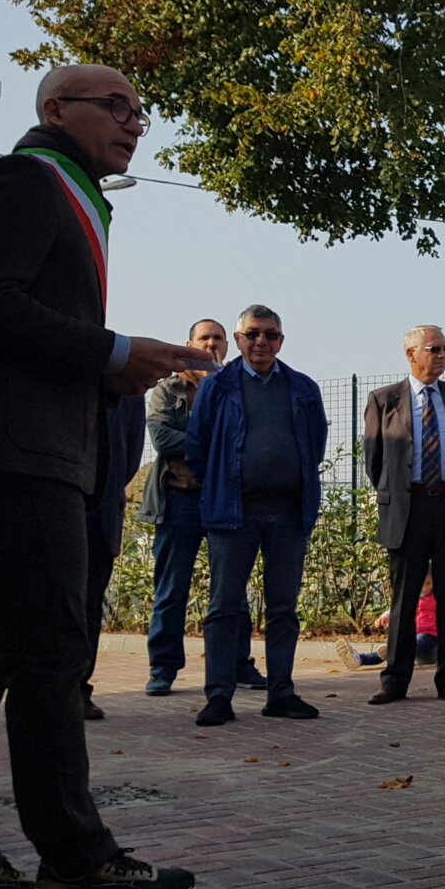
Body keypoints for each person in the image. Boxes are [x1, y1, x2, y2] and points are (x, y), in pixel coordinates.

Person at [0, 64, 199, 889]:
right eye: (114, 106)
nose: (134, 122)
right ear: (53, 110)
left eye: (140, 111)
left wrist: (108, 372)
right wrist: (114, 356)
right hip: (11, 459)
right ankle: (77, 867)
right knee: (49, 656)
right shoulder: (23, 180)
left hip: (4, 453)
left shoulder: (63, 189)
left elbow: (17, 321)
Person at [187, 304, 330, 725]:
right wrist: (220, 484)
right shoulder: (218, 386)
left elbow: (315, 445)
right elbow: (198, 448)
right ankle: (218, 696)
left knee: (283, 608)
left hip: (288, 515)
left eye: (270, 335)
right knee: (224, 607)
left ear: (281, 341)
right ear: (238, 339)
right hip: (233, 515)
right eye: (252, 334)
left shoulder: (303, 388)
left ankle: (281, 692)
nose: (261, 342)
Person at [135, 319, 265, 696]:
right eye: (204, 338)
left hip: (225, 500)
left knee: (232, 590)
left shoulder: (238, 388)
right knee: (171, 589)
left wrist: (202, 441)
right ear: (189, 344)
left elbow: (247, 437)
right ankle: (163, 669)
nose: (211, 344)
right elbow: (161, 438)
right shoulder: (166, 391)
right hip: (178, 501)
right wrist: (214, 442)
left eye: (218, 339)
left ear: (229, 345)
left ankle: (238, 664)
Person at [361, 325, 445, 704]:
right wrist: (399, 493)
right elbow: (375, 462)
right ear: (411, 354)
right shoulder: (384, 400)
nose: (442, 355)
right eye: (434, 348)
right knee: (404, 598)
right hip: (407, 509)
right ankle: (395, 680)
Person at [78, 390, 148, 719]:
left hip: (101, 514)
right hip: (52, 508)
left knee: (90, 606)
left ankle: (78, 689)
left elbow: (130, 456)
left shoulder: (126, 388)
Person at [338, 578, 439, 669]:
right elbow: (398, 609)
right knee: (397, 646)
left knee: (410, 644)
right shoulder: (413, 597)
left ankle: (391, 651)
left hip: (430, 637)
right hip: (415, 642)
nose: (424, 588)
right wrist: (385, 616)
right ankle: (361, 659)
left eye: (428, 584)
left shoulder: (437, 597)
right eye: (421, 584)